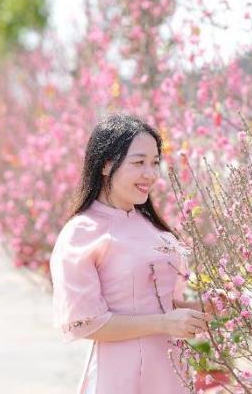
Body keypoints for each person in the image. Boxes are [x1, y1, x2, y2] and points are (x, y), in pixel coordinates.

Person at [49, 114, 214, 394]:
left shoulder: (150, 227)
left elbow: (157, 303)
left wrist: (202, 308)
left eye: (155, 163)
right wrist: (163, 323)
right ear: (106, 165)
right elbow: (88, 324)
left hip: (169, 370)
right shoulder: (82, 233)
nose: (150, 174)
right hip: (119, 374)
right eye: (139, 163)